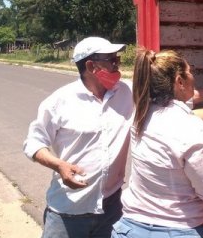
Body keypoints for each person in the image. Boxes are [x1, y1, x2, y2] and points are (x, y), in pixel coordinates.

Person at [112, 49, 203, 238]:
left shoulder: (142, 115)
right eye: (190, 72)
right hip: (176, 231)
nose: (193, 77)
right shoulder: (190, 127)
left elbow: (184, 120)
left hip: (130, 228)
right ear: (179, 82)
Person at [23, 36, 134, 238]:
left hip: (111, 209)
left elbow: (166, 96)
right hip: (68, 212)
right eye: (111, 60)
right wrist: (59, 165)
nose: (117, 64)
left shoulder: (126, 92)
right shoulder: (60, 101)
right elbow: (33, 143)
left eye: (117, 58)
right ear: (91, 66)